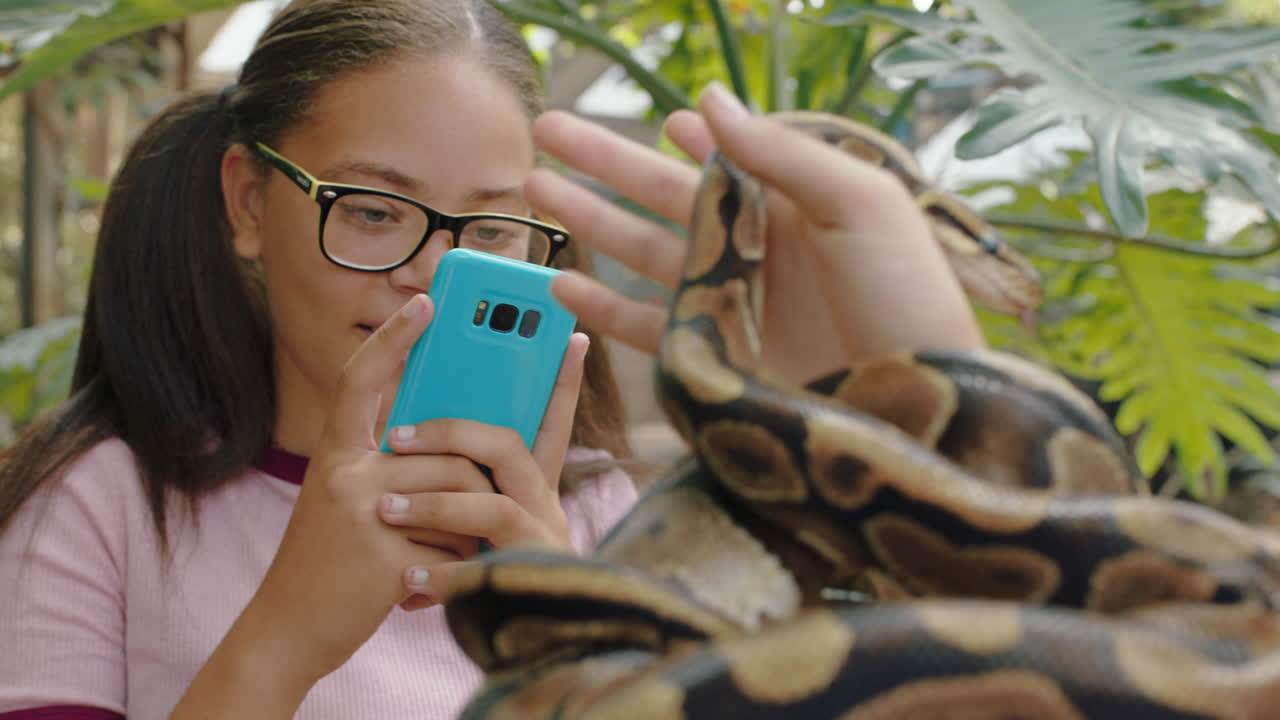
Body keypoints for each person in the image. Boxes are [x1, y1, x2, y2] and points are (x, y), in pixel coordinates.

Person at [0, 3, 984, 720]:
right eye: (373, 210)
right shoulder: (103, 507)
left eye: (488, 233)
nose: (427, 281)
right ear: (249, 205)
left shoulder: (614, 521)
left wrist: (572, 647)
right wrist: (285, 635)